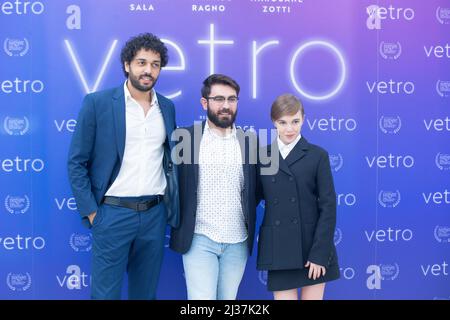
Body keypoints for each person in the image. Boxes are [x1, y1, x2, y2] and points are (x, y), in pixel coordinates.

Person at [67, 33, 179, 300]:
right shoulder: (98, 103)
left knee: (145, 294)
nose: (148, 70)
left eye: (155, 64)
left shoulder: (167, 107)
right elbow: (76, 162)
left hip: (154, 214)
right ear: (127, 65)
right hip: (112, 214)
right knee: (105, 295)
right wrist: (93, 213)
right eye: (141, 62)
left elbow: (168, 159)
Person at [170, 74, 259, 300]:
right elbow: (172, 183)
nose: (226, 105)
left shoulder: (249, 141)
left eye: (232, 99)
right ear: (205, 102)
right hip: (199, 238)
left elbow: (256, 191)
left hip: (237, 240)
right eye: (219, 99)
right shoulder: (187, 138)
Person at [257, 94, 340, 300]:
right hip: (279, 248)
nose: (289, 129)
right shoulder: (262, 156)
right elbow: (250, 199)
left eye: (295, 121)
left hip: (312, 249)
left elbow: (328, 207)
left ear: (303, 119)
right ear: (273, 122)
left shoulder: (318, 155)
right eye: (282, 122)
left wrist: (320, 254)